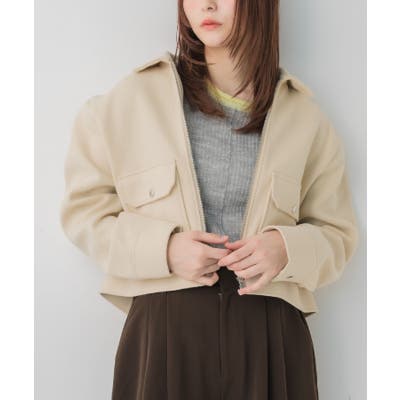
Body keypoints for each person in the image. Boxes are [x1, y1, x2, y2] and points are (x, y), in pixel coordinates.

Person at [60, 0, 359, 399]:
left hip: (271, 332)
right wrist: (164, 250)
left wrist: (285, 249)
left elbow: (337, 233)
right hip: (165, 333)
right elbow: (84, 213)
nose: (208, 4)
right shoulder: (127, 103)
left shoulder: (305, 118)